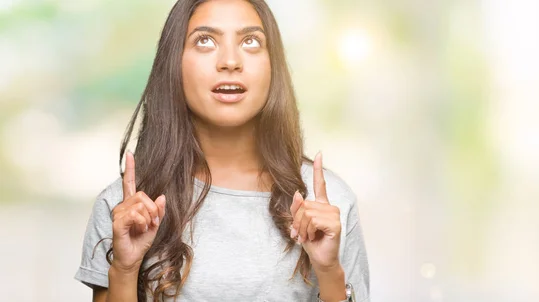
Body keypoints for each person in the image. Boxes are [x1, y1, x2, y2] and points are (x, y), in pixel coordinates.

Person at [74, 0, 370, 301]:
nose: (230, 61)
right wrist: (124, 269)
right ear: (174, 62)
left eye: (251, 41)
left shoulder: (329, 205)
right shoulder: (126, 208)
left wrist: (330, 272)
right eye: (205, 40)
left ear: (274, 65)